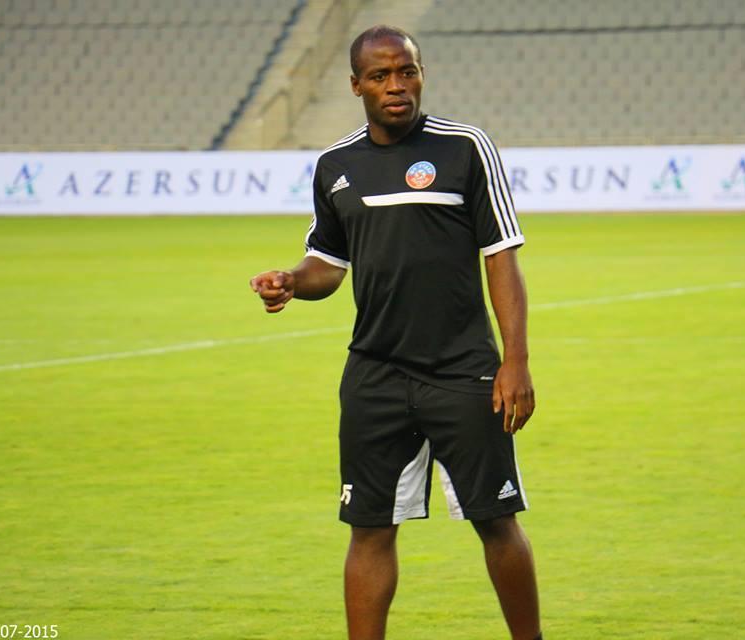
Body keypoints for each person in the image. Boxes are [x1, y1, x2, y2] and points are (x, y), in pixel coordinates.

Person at [250, 25, 541, 640]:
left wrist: (514, 361)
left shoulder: (466, 148)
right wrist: (292, 280)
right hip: (375, 374)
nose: (396, 85)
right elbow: (328, 264)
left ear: (421, 75)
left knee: (496, 520)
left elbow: (501, 257)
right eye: (380, 75)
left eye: (406, 71)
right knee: (370, 529)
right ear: (356, 85)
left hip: (464, 370)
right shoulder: (336, 165)